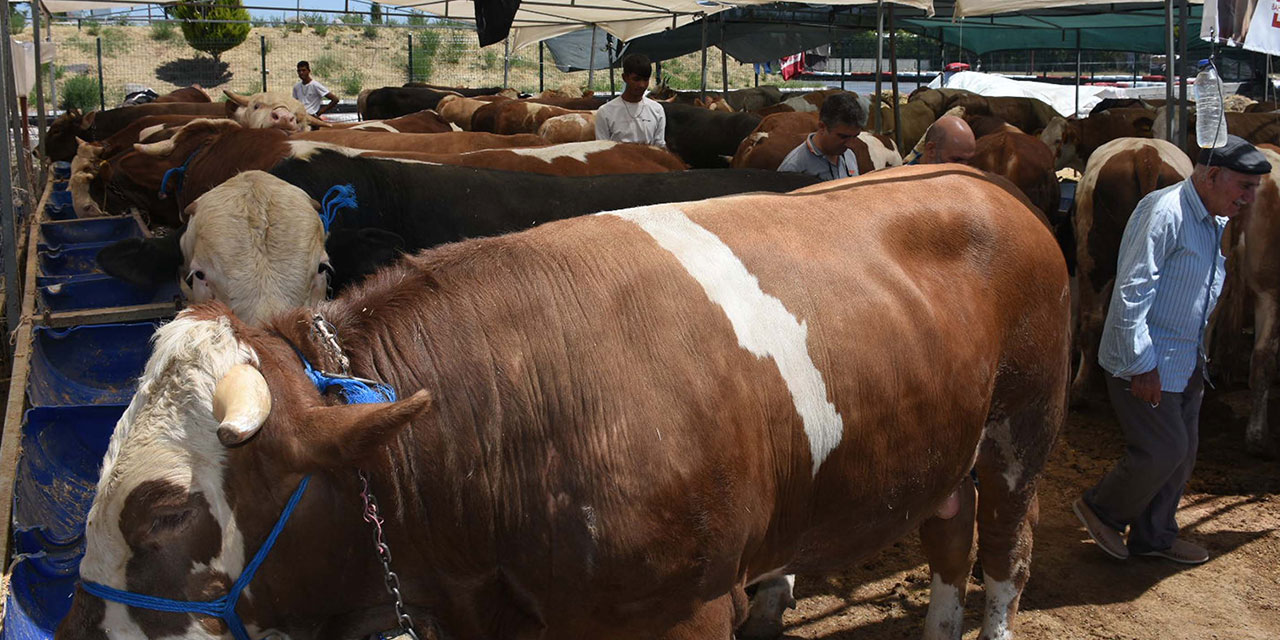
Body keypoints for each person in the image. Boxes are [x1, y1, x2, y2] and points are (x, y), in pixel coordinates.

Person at [1073, 134, 1269, 565]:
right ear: (1213, 175)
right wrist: (1142, 364)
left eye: (1255, 190)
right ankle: (1101, 507)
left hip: (1185, 357)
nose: (1250, 199)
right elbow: (1132, 290)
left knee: (1182, 455)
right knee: (1162, 450)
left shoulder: (1212, 218)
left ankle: (1154, 537)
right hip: (1149, 358)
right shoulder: (1165, 212)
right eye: (1245, 187)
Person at [776, 92, 866, 181]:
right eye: (843, 137)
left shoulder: (849, 155)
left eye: (855, 136)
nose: (851, 144)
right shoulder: (793, 167)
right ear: (822, 127)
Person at [594, 54, 666, 147]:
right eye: (636, 79)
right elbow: (602, 150)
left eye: (645, 80)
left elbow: (659, 146)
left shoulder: (657, 110)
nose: (642, 85)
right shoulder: (605, 112)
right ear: (625, 78)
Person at [906, 115, 976, 165]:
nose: (965, 168)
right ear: (931, 150)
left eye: (968, 161)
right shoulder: (904, 182)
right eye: (956, 160)